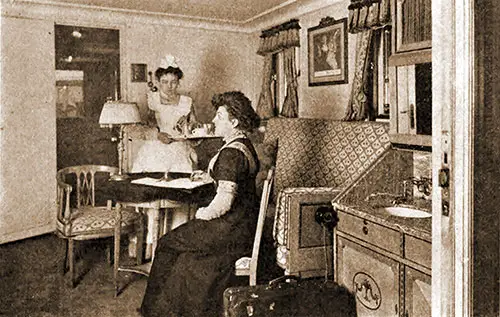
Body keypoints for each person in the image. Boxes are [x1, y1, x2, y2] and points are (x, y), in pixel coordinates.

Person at [139, 91, 261, 317]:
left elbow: (224, 201)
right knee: (183, 254)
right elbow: (233, 181)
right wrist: (207, 178)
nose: (214, 121)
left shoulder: (231, 154)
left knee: (166, 244)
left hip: (228, 229)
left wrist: (201, 214)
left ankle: (154, 312)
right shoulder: (243, 144)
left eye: (220, 116)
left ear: (233, 122)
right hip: (241, 225)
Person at [131, 55, 198, 173]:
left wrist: (188, 126)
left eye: (173, 82)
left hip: (179, 147)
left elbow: (195, 128)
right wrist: (157, 135)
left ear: (178, 83)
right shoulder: (152, 100)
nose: (169, 86)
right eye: (165, 82)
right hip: (155, 147)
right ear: (158, 82)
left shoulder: (186, 101)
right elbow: (144, 127)